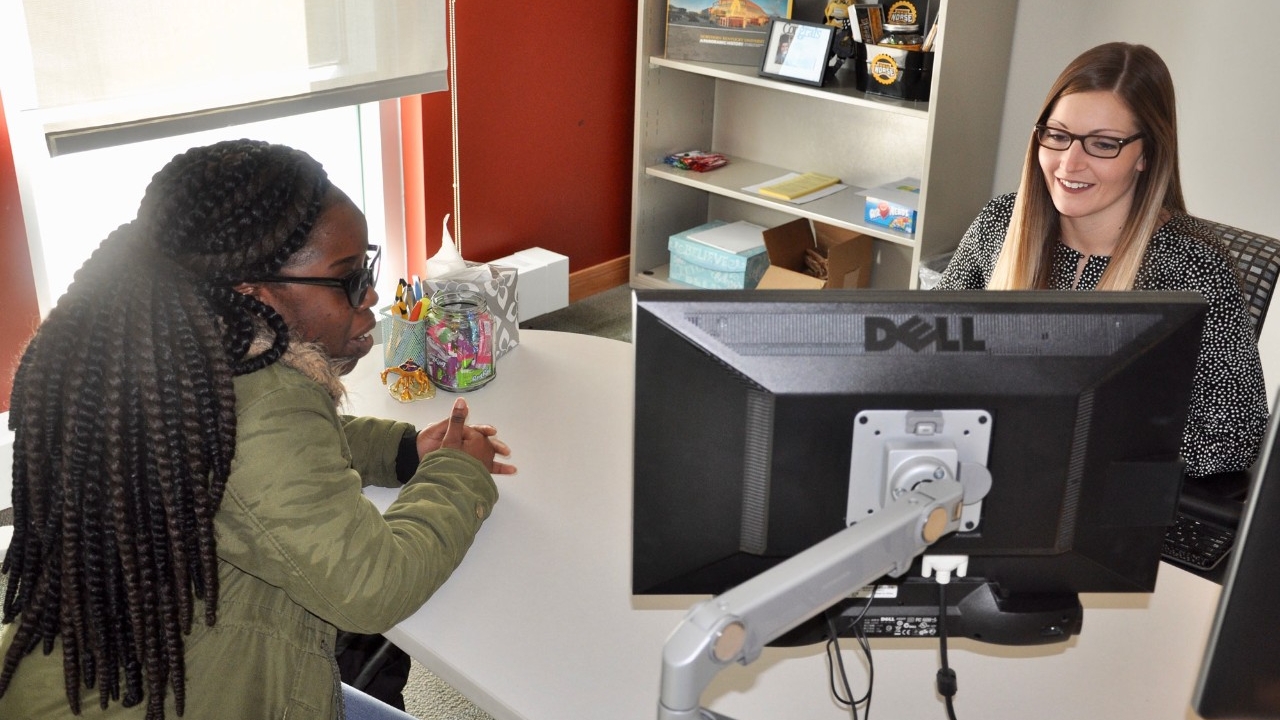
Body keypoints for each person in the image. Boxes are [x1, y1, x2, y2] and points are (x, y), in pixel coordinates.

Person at [0, 139, 516, 719]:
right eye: (348, 278)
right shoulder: (262, 403)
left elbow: (242, 460)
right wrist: (459, 474)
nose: (371, 294)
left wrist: (398, 449)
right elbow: (373, 587)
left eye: (366, 266)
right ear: (250, 291)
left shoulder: (179, 368)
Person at [936, 42, 1269, 480]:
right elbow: (928, 345)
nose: (1069, 164)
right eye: (1057, 135)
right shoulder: (1001, 222)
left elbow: (1235, 439)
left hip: (1106, 491)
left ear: (1146, 155)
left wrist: (1094, 423)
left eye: (1103, 144)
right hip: (989, 468)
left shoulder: (1193, 268)